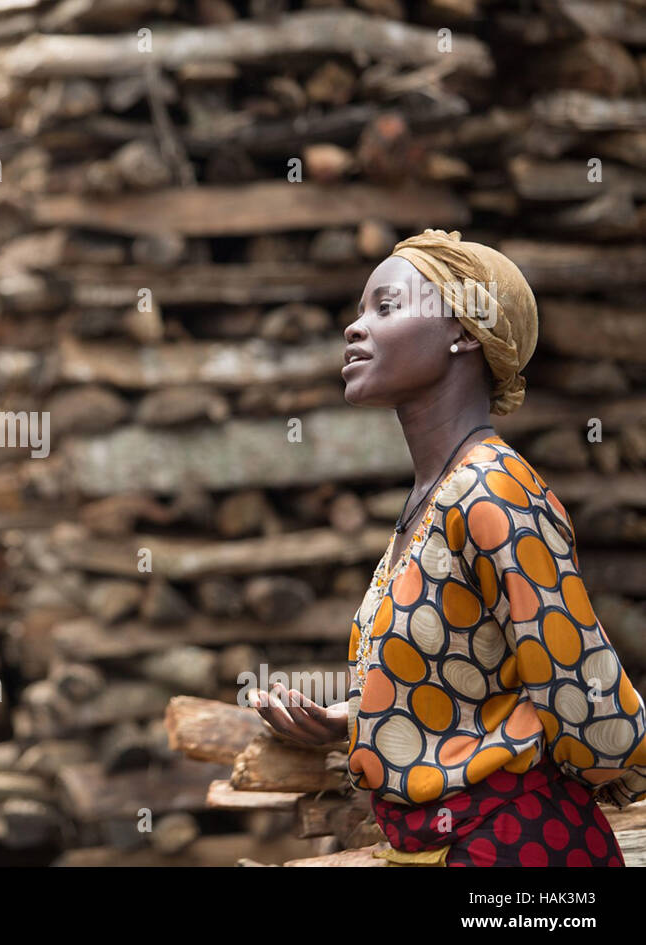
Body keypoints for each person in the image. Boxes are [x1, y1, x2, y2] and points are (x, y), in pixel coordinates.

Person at [251, 228, 646, 866]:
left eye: (386, 307)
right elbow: (475, 675)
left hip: (520, 850)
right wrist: (359, 718)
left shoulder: (496, 493)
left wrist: (619, 769)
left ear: (464, 330)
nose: (355, 327)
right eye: (359, 310)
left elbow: (579, 684)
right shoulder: (434, 496)